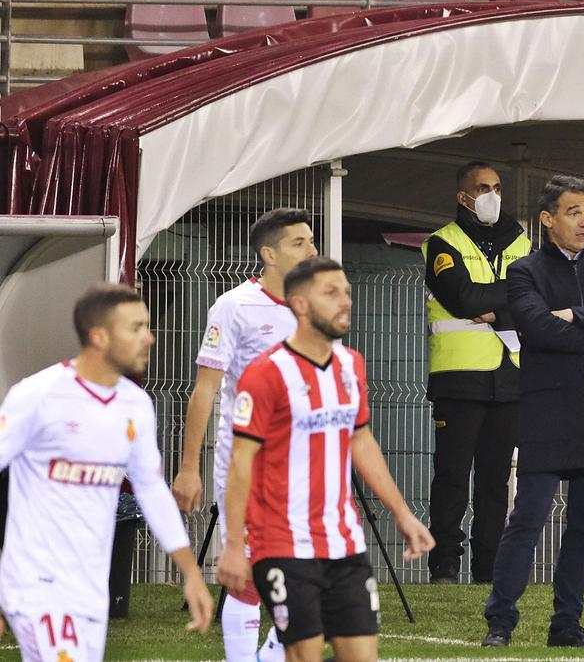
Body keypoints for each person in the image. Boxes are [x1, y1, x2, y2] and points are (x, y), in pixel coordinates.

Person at [216, 257, 434, 662]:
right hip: (282, 543)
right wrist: (232, 545)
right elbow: (240, 462)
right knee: (305, 654)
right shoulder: (266, 373)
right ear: (299, 304)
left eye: (347, 292)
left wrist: (403, 514)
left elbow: (362, 442)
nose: (345, 301)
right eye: (331, 293)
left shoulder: (351, 365)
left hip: (344, 541)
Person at [0, 283, 213, 661]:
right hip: (37, 581)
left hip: (90, 586)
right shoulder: (38, 395)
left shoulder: (135, 405)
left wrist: (191, 572)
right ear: (98, 336)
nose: (149, 337)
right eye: (135, 328)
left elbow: (151, 490)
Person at [481, 175, 584, 648]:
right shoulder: (525, 272)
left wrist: (573, 316)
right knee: (528, 518)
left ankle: (566, 624)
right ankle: (500, 621)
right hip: (548, 410)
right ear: (547, 219)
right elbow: (536, 329)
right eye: (574, 212)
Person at [171, 207, 317, 660]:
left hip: (305, 465)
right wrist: (188, 468)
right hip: (247, 464)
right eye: (300, 243)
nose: (313, 251)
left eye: (312, 241)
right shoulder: (234, 307)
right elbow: (205, 389)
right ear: (268, 254)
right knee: (251, 576)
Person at [422, 161, 530, 584]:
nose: (492, 195)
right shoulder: (441, 243)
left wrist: (495, 304)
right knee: (451, 476)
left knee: (495, 480)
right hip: (459, 377)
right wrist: (509, 298)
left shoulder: (520, 242)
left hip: (509, 377)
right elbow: (463, 297)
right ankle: (444, 565)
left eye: (498, 187)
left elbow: (535, 293)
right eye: (483, 187)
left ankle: (489, 568)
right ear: (462, 195)